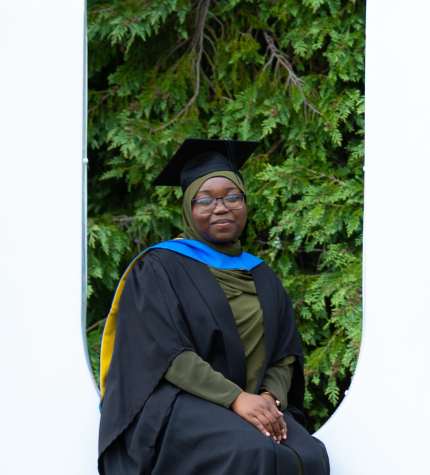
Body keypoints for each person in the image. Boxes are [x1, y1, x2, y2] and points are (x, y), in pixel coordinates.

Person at [97, 138, 330, 475]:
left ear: (245, 203)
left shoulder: (261, 274)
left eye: (232, 197)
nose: (221, 208)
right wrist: (236, 398)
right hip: (180, 403)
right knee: (251, 452)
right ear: (188, 209)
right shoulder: (159, 268)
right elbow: (168, 355)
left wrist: (270, 399)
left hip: (252, 401)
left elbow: (284, 354)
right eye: (205, 200)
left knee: (310, 454)